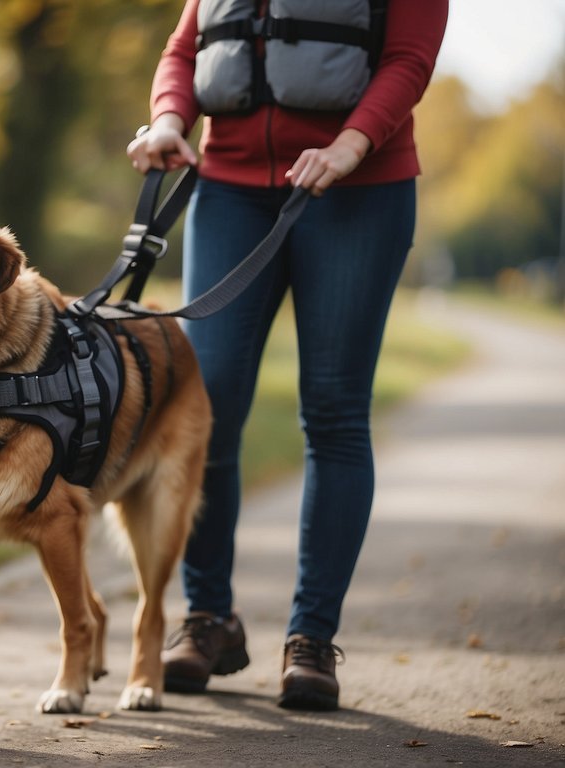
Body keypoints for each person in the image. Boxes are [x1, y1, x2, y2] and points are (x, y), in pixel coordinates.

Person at [126, 0, 447, 711]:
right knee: (205, 409)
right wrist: (173, 119)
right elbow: (185, 49)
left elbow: (409, 58)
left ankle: (311, 638)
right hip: (231, 190)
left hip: (358, 187)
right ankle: (208, 618)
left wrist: (353, 143)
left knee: (333, 408)